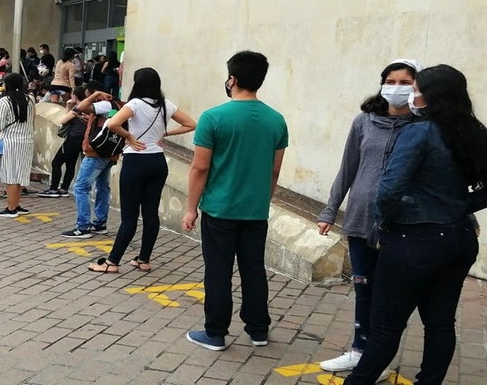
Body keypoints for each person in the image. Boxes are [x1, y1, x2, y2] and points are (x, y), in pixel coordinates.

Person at [343, 65, 487, 384]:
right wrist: (458, 207)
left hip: (414, 240)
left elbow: (388, 190)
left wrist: (384, 223)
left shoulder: (418, 132)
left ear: (431, 96)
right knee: (440, 323)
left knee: (385, 328)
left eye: (416, 90)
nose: (412, 96)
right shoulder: (473, 133)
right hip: (459, 238)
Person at [315, 59, 421, 381]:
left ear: (416, 87)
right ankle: (360, 350)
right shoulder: (364, 121)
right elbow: (347, 167)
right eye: (391, 81)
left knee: (388, 295)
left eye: (405, 82)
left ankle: (378, 358)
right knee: (363, 289)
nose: (396, 88)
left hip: (399, 225)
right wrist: (330, 210)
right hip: (361, 219)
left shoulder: (422, 127)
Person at [182, 51, 289, 351]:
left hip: (220, 209)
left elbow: (200, 168)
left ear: (233, 79)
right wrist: (261, 200)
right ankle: (258, 329)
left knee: (218, 270)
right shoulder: (276, 120)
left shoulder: (213, 117)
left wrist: (191, 208)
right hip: (255, 211)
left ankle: (215, 332)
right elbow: (274, 170)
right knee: (253, 269)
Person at [87, 67, 196, 273]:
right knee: (151, 214)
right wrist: (165, 134)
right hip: (158, 161)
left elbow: (113, 124)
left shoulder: (135, 104)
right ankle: (144, 260)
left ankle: (112, 262)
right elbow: (191, 124)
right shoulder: (165, 105)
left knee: (129, 216)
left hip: (135, 161)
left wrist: (129, 137)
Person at [60, 81, 116, 239]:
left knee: (80, 188)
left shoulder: (104, 104)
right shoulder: (112, 105)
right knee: (102, 187)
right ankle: (100, 223)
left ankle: (83, 227)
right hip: (108, 152)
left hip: (96, 153)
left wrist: (94, 95)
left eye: (88, 94)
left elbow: (80, 107)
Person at [0, 73, 36, 217]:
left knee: (10, 175)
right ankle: (16, 204)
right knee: (21, 174)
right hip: (27, 141)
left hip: (10, 141)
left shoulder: (4, 101)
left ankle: (11, 208)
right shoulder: (30, 99)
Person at [37, 85, 87, 198]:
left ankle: (53, 188)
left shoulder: (77, 108)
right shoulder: (87, 108)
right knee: (71, 164)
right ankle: (64, 188)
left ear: (75, 96)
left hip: (72, 138)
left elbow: (63, 120)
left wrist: (69, 107)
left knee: (56, 163)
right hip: (80, 139)